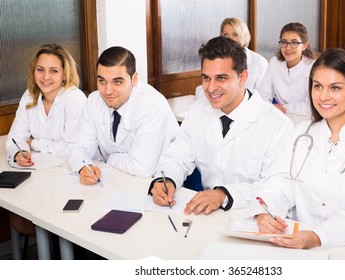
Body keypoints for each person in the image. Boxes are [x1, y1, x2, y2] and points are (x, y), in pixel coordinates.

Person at [250, 48, 345, 251]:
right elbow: (279, 182)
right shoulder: (300, 134)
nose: (323, 96)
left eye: (335, 88)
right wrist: (265, 211)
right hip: (301, 243)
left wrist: (317, 237)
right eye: (317, 86)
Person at [149, 36, 293, 215]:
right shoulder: (197, 111)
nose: (210, 88)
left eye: (221, 78)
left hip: (255, 217)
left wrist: (224, 195)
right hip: (208, 216)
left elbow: (277, 187)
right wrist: (166, 179)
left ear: (243, 77)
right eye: (206, 78)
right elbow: (177, 157)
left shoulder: (277, 124)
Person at [5, 43, 87, 235]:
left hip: (71, 178)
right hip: (41, 176)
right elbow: (15, 137)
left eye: (54, 71)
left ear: (65, 74)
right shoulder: (30, 95)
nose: (46, 77)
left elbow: (72, 148)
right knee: (19, 212)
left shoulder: (74, 99)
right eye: (40, 70)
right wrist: (19, 152)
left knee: (54, 218)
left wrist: (34, 143)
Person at [67, 46, 178, 184]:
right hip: (114, 180)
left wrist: (109, 158)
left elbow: (141, 168)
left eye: (117, 82)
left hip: (154, 185)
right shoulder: (94, 101)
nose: (107, 90)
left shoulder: (152, 104)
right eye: (102, 81)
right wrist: (84, 166)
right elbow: (78, 147)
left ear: (134, 79)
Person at [195, 17, 268, 99]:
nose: (230, 38)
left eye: (235, 34)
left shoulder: (259, 62)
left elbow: (262, 96)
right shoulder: (217, 59)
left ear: (243, 36)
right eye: (225, 35)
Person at [258, 22, 316, 115]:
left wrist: (283, 108)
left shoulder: (313, 67)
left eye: (294, 43)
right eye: (284, 42)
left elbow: (311, 107)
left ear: (304, 46)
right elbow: (263, 95)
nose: (288, 47)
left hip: (305, 118)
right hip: (278, 116)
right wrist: (272, 108)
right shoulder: (274, 63)